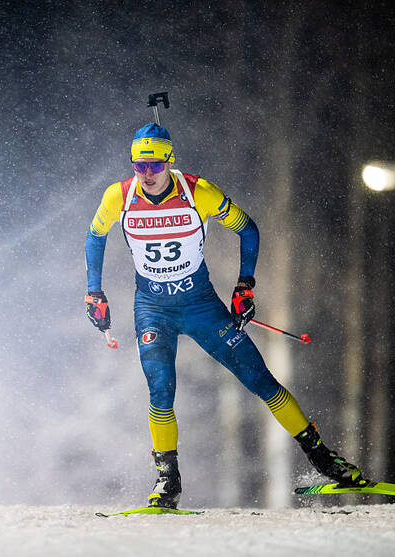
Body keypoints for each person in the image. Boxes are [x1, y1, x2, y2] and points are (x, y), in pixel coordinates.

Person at [84, 122, 366, 509]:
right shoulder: (119, 196)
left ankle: (323, 459)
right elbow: (95, 235)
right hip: (152, 309)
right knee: (161, 390)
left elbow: (248, 230)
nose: (146, 174)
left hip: (200, 305)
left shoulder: (199, 192)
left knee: (259, 379)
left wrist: (244, 285)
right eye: (138, 166)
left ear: (169, 160)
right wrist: (93, 291)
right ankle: (168, 480)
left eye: (154, 165)